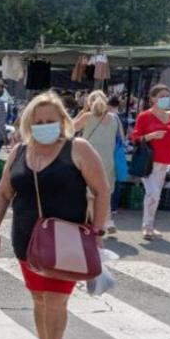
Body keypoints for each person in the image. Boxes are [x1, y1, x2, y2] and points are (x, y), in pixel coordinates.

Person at [0, 91, 109, 339]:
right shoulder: (18, 152)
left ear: (63, 121)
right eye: (37, 121)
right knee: (39, 301)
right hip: (27, 241)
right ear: (28, 123)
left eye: (50, 121)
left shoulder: (77, 148)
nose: (43, 126)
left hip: (66, 245)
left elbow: (102, 190)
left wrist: (98, 231)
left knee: (55, 303)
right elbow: (3, 193)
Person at [130, 84, 170, 240]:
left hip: (165, 161)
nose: (165, 99)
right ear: (153, 98)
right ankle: (147, 226)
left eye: (167, 96)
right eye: (161, 96)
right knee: (152, 193)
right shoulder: (144, 116)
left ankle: (149, 225)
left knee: (156, 195)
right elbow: (135, 138)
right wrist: (152, 135)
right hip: (148, 161)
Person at [74, 91, 119, 233]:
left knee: (90, 196)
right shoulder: (114, 118)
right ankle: (108, 221)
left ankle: (94, 225)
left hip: (90, 160)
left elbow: (69, 128)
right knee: (105, 192)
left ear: (89, 102)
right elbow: (121, 137)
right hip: (108, 161)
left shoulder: (87, 117)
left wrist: (83, 111)